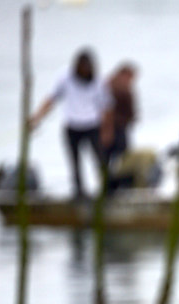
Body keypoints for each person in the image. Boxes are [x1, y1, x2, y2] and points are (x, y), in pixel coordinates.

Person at [30, 48, 111, 198]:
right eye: (82, 68)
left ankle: (106, 190)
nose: (85, 71)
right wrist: (37, 118)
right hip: (72, 126)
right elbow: (52, 99)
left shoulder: (98, 81)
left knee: (100, 159)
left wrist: (106, 131)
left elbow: (106, 108)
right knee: (74, 162)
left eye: (88, 68)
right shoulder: (65, 77)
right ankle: (79, 192)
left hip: (92, 125)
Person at [101, 62, 138, 168]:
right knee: (121, 156)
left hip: (116, 126)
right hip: (114, 127)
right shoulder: (119, 87)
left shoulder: (108, 84)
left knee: (112, 157)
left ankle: (110, 179)